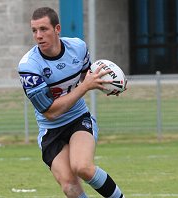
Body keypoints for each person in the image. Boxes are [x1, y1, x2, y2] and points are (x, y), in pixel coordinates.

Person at [18, 7, 125, 198]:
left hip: (78, 119)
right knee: (70, 187)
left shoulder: (78, 47)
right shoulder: (29, 67)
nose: (38, 36)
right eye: (34, 30)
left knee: (82, 167)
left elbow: (88, 76)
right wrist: (85, 87)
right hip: (50, 130)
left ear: (57, 28)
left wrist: (110, 85)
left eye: (44, 29)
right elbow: (50, 112)